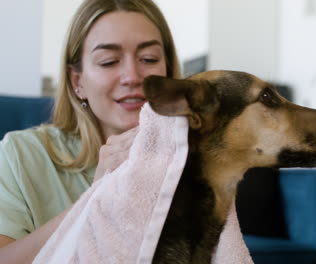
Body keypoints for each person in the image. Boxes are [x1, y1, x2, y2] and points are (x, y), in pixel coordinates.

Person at [0, 0, 181, 262]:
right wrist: (95, 200)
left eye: (149, 59)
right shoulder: (20, 155)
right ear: (78, 82)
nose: (132, 76)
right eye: (109, 62)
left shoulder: (190, 159)